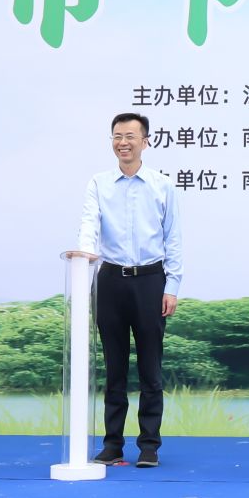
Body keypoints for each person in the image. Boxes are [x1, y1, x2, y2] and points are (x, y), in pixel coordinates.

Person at [73, 112, 181, 468]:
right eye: (117, 136)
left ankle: (149, 445)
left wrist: (172, 285)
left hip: (150, 280)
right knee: (114, 367)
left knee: (150, 367)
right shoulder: (99, 183)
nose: (123, 142)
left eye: (130, 136)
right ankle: (112, 444)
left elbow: (173, 239)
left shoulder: (162, 185)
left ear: (145, 141)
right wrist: (84, 257)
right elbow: (89, 224)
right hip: (110, 280)